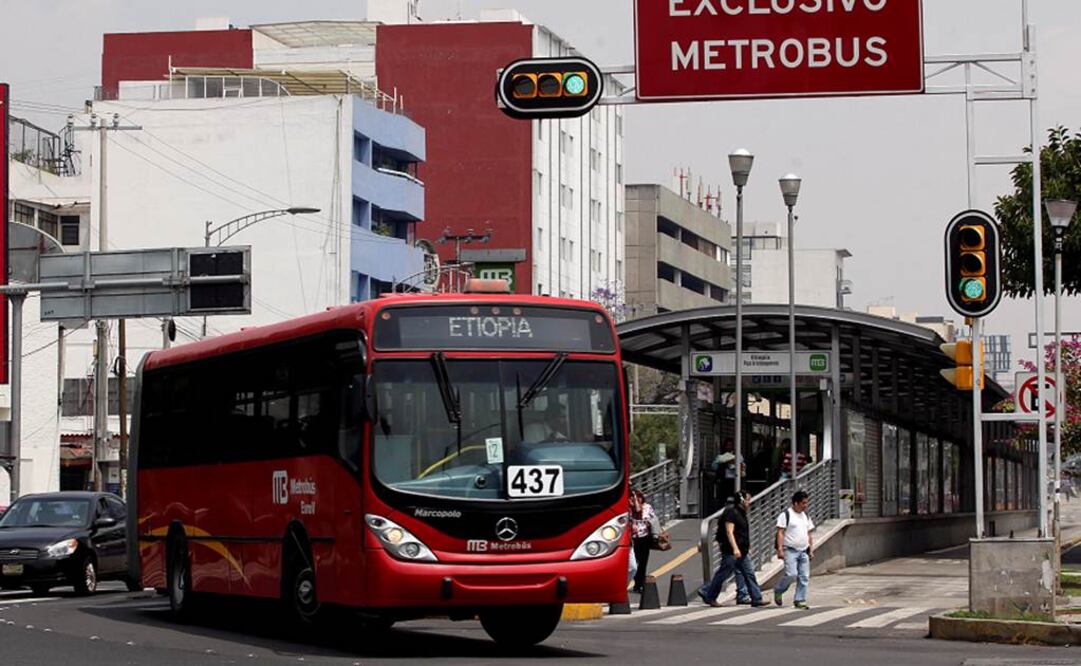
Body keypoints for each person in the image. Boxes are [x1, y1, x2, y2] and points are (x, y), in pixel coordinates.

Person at [696, 490, 768, 607]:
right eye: (748, 499)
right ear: (741, 500)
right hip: (731, 551)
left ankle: (756, 598)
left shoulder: (742, 513)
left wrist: (746, 548)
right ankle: (708, 594)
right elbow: (730, 532)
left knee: (749, 573)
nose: (749, 502)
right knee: (724, 573)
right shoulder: (731, 512)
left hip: (742, 551)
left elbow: (742, 533)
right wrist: (735, 549)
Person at [773, 490, 815, 609]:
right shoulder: (786, 514)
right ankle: (779, 589)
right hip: (790, 550)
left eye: (806, 503)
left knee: (804, 576)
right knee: (791, 574)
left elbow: (809, 534)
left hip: (803, 550)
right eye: (803, 503)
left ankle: (799, 599)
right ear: (796, 503)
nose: (805, 505)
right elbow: (780, 533)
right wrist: (780, 549)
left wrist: (811, 549)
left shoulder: (806, 516)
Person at [629, 489, 655, 594]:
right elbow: (637, 510)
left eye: (638, 497)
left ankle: (640, 583)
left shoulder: (647, 507)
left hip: (645, 537)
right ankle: (637, 582)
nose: (636, 499)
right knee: (634, 562)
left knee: (643, 562)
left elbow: (653, 520)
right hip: (633, 538)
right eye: (633, 497)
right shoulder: (628, 508)